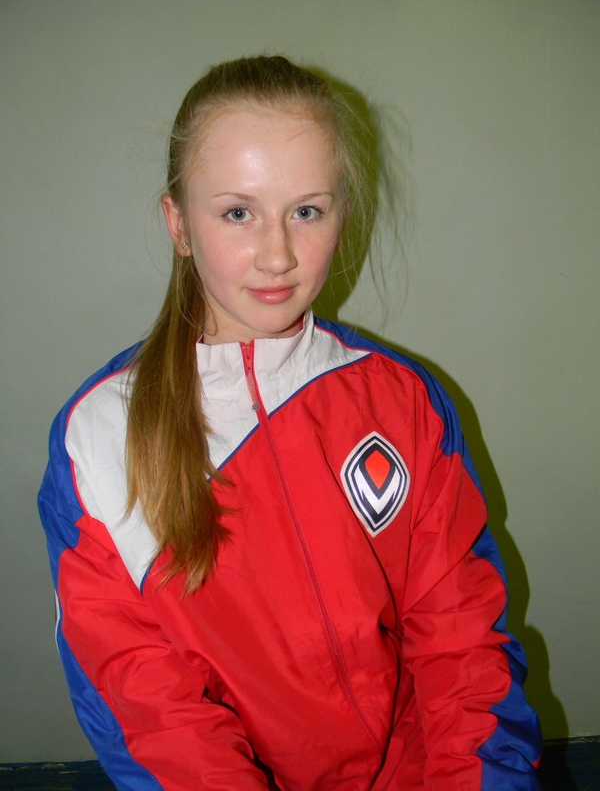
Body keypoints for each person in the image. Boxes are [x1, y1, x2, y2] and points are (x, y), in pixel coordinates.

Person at [38, 55, 542, 790]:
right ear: (179, 224)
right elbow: (153, 713)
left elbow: (463, 643)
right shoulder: (97, 440)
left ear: (342, 214)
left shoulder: (402, 398)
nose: (277, 256)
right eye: (238, 213)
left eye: (307, 211)